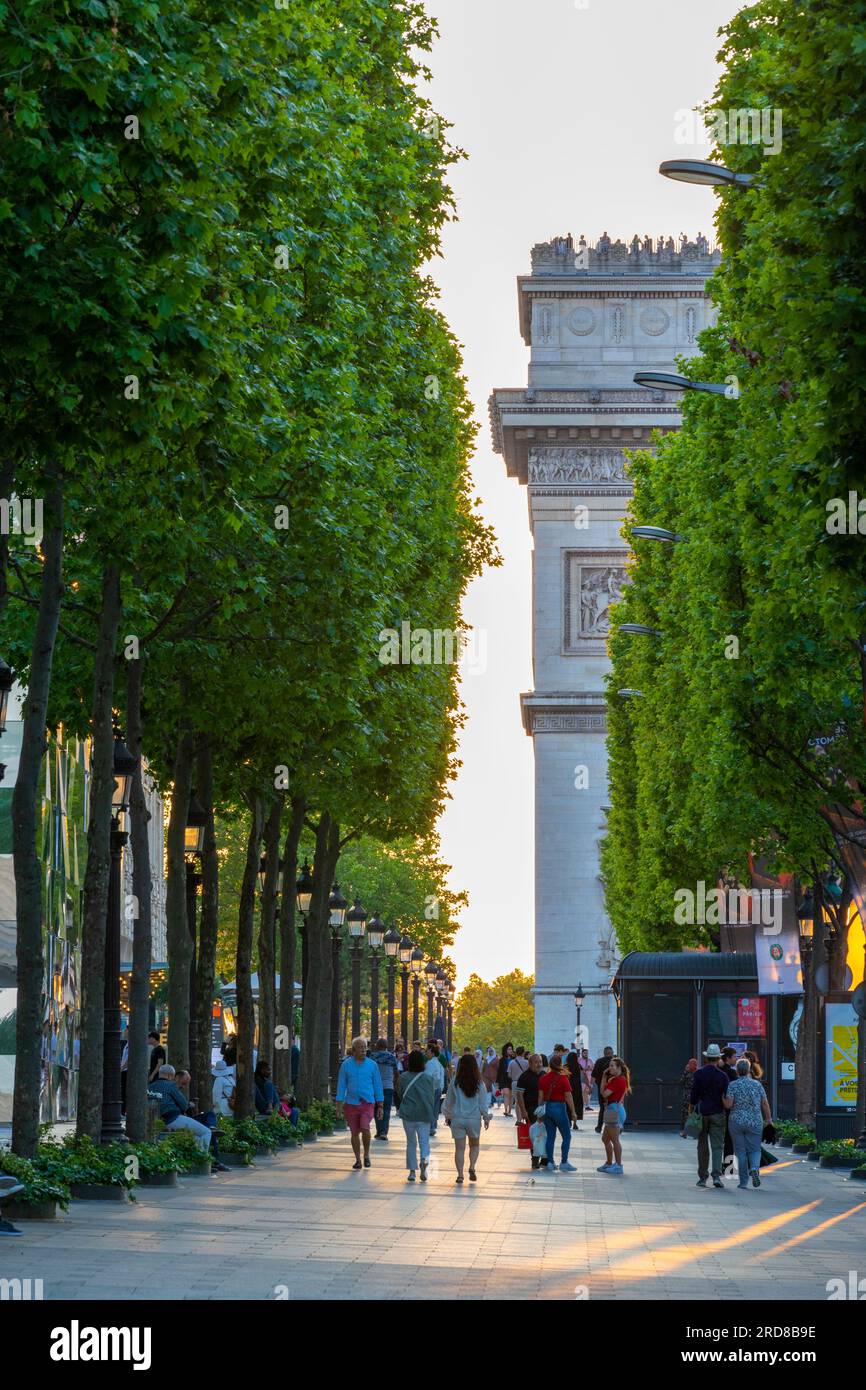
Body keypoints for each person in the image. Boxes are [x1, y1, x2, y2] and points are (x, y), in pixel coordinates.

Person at [335, 1037, 384, 1169]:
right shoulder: (346, 1065)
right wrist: (338, 1106)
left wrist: (380, 1104)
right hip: (351, 1103)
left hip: (367, 1102)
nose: (363, 1050)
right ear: (354, 1050)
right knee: (354, 1132)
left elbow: (378, 1085)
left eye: (364, 1047)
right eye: (360, 1047)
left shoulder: (372, 1065)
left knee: (365, 1127)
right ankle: (358, 1159)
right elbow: (341, 1086)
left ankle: (366, 1155)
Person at [724, 1058, 772, 1188]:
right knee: (755, 1149)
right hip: (755, 1120)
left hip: (736, 1121)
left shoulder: (733, 1085)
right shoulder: (757, 1085)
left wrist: (722, 1098)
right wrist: (769, 1120)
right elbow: (764, 1103)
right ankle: (755, 1169)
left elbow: (728, 1105)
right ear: (749, 1069)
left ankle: (743, 1182)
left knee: (740, 1151)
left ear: (737, 1070)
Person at [443, 1054, 490, 1183]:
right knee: (474, 1145)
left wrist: (448, 1115)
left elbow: (449, 1101)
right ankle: (472, 1167)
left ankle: (460, 1175)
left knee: (459, 1148)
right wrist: (486, 1117)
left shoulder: (455, 1082)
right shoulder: (480, 1083)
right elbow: (483, 1103)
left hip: (458, 1118)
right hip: (474, 1119)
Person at [689, 1044, 730, 1188]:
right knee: (718, 1146)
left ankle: (702, 1177)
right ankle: (717, 1176)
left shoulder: (698, 1074)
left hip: (702, 1113)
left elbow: (693, 1097)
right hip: (718, 1113)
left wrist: (694, 1104)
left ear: (706, 1058)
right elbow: (726, 1096)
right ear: (718, 1058)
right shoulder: (723, 1076)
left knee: (702, 1146)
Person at [150, 1065, 213, 1155]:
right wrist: (189, 1104)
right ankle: (202, 1160)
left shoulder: (150, 1086)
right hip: (172, 1118)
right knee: (206, 1132)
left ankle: (194, 1158)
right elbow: (184, 1105)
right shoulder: (171, 1085)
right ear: (170, 1076)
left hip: (157, 1121)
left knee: (196, 1138)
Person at [396, 1049, 437, 1182]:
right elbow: (432, 1096)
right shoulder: (428, 1079)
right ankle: (424, 1161)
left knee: (411, 1142)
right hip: (424, 1114)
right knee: (424, 1141)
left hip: (408, 1114)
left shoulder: (403, 1077)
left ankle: (412, 1172)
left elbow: (400, 1093)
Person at [536, 1053, 577, 1172]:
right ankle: (564, 1162)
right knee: (567, 1136)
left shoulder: (543, 1078)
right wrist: (573, 1112)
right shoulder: (563, 1078)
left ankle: (550, 1162)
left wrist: (540, 1111)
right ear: (560, 1064)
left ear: (549, 1064)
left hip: (548, 1107)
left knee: (550, 1137)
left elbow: (540, 1097)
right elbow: (568, 1096)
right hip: (559, 1107)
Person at [598, 1057, 630, 1175]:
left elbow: (604, 1093)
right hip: (613, 1109)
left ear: (619, 1068)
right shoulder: (616, 1079)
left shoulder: (618, 1080)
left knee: (614, 1139)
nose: (609, 1068)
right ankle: (609, 1163)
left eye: (612, 1066)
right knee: (605, 1139)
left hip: (614, 1110)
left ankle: (618, 1165)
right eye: (609, 1065)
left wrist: (603, 1078)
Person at [515, 1053, 546, 1169]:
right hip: (531, 1109)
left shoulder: (544, 1074)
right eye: (536, 1062)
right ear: (530, 1063)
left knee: (544, 1134)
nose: (539, 1064)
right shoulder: (524, 1077)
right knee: (535, 1134)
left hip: (544, 1109)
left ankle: (544, 1158)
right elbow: (519, 1095)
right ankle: (535, 1159)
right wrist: (523, 1111)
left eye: (540, 1062)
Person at [369, 1038, 398, 1140]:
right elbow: (396, 1072)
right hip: (388, 1086)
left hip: (375, 1087)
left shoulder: (373, 1056)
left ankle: (379, 1131)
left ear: (377, 1045)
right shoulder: (391, 1057)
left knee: (377, 1108)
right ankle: (384, 1132)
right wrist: (394, 1081)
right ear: (386, 1046)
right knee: (386, 1109)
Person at [425, 1040, 446, 1137]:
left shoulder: (430, 1063)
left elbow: (428, 1077)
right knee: (435, 1108)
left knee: (430, 1107)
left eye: (427, 1051)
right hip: (437, 1088)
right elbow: (441, 1076)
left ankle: (431, 1126)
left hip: (431, 1088)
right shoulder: (438, 1063)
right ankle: (433, 1125)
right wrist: (440, 1087)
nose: (426, 1053)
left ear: (432, 1052)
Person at [591, 1047, 614, 1133]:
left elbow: (593, 1075)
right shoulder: (615, 1061)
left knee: (602, 1108)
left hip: (602, 1088)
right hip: (613, 1087)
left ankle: (599, 1127)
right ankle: (611, 1127)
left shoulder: (599, 1061)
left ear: (604, 1053)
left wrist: (591, 1086)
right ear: (611, 1052)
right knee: (612, 1107)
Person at [212, 1040, 237, 1117]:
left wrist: (216, 1109)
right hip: (231, 1106)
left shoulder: (219, 1080)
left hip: (223, 1106)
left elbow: (216, 1095)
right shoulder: (230, 1079)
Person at [565, 1050, 584, 1129]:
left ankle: (568, 1121)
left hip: (568, 1087)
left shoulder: (565, 1066)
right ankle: (575, 1123)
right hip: (577, 1088)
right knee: (577, 1104)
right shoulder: (578, 1066)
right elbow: (582, 1076)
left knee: (568, 1104)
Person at [679, 1058, 698, 1137]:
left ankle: (692, 1133)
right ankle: (686, 1132)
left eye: (691, 1064)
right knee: (687, 1114)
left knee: (693, 1115)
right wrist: (685, 1072)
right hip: (688, 1096)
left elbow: (681, 1082)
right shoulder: (688, 1072)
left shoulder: (697, 1073)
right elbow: (681, 1082)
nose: (689, 1065)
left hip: (692, 1096)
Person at [507, 1046, 529, 1111]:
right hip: (525, 1083)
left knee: (517, 1101)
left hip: (515, 1082)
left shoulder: (511, 1062)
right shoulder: (527, 1062)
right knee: (524, 1100)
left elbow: (509, 1075)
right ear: (523, 1053)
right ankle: (524, 1115)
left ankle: (519, 1119)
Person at [496, 1043, 515, 1117]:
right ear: (505, 1050)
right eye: (509, 1049)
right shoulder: (502, 1060)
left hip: (512, 1078)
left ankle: (509, 1111)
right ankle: (506, 1110)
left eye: (511, 1049)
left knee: (511, 1095)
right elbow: (499, 1071)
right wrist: (498, 1082)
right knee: (506, 1094)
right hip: (504, 1079)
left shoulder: (514, 1059)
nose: (510, 1050)